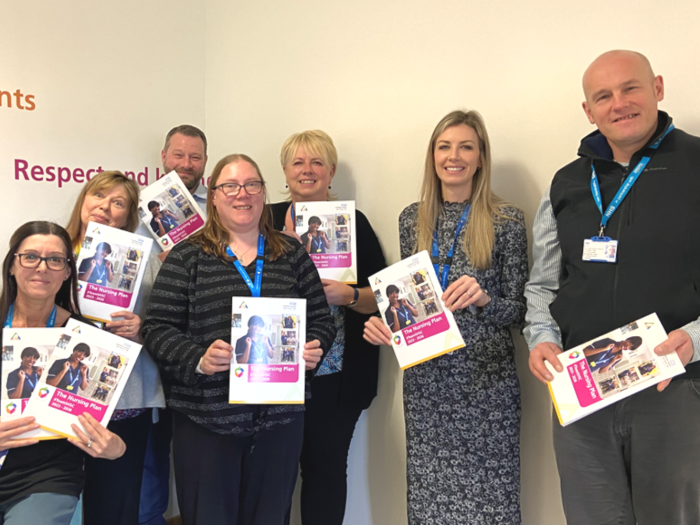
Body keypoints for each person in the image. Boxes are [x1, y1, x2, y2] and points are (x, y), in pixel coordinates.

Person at [524, 50, 700, 525]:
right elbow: (542, 285)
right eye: (603, 96)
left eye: (630, 88)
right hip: (583, 394)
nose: (618, 103)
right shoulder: (566, 184)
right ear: (588, 110)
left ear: (658, 88)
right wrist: (541, 337)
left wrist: (696, 341)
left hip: (676, 388)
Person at [142, 153, 336, 525]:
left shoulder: (292, 254)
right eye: (229, 186)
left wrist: (315, 346)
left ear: (263, 194)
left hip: (279, 421)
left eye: (251, 185)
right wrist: (198, 357)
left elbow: (322, 320)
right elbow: (157, 328)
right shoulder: (187, 256)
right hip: (206, 421)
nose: (241, 194)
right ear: (213, 195)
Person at [364, 110, 528, 524]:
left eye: (466, 146)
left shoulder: (506, 220)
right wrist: (389, 323)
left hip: (486, 384)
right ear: (432, 156)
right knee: (429, 502)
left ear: (480, 157)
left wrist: (485, 300)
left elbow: (522, 311)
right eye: (444, 146)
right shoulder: (411, 219)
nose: (454, 156)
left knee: (493, 501)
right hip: (426, 382)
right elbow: (407, 297)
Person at [271, 129, 387, 525]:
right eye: (298, 162)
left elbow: (384, 297)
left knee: (325, 474)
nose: (307, 170)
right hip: (272, 370)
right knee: (272, 477)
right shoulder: (262, 220)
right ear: (284, 171)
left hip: (335, 375)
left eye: (317, 162)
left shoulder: (354, 223)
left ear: (331, 171)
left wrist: (349, 296)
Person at [0, 221, 126, 524]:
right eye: (30, 257)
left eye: (55, 259)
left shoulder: (89, 336)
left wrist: (115, 447)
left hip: (47, 474)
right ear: (12, 265)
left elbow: (110, 422)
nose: (42, 267)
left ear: (68, 271)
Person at [65, 170, 165, 525]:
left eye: (118, 203)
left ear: (129, 216)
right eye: (99, 196)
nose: (105, 207)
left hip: (123, 399)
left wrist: (141, 329)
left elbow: (166, 323)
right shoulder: (54, 251)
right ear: (84, 200)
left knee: (117, 501)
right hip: (62, 397)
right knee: (59, 500)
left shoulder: (146, 259)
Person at [138, 125, 209, 525]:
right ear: (163, 156)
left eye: (195, 157)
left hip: (197, 346)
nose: (186, 164)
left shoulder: (215, 208)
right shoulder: (139, 208)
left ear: (205, 163)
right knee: (149, 449)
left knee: (191, 448)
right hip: (148, 339)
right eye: (178, 155)